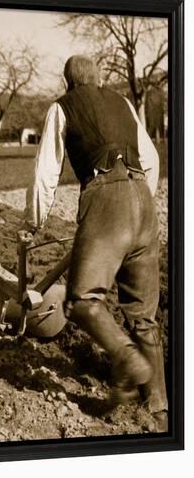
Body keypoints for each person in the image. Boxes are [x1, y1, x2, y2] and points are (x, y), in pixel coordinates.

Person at [23, 55, 168, 431]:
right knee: (144, 317)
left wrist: (34, 223)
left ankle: (128, 360)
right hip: (144, 203)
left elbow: (46, 170)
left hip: (106, 200)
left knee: (82, 300)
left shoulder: (63, 106)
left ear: (68, 81)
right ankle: (158, 409)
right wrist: (140, 202)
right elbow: (151, 158)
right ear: (98, 78)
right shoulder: (122, 102)